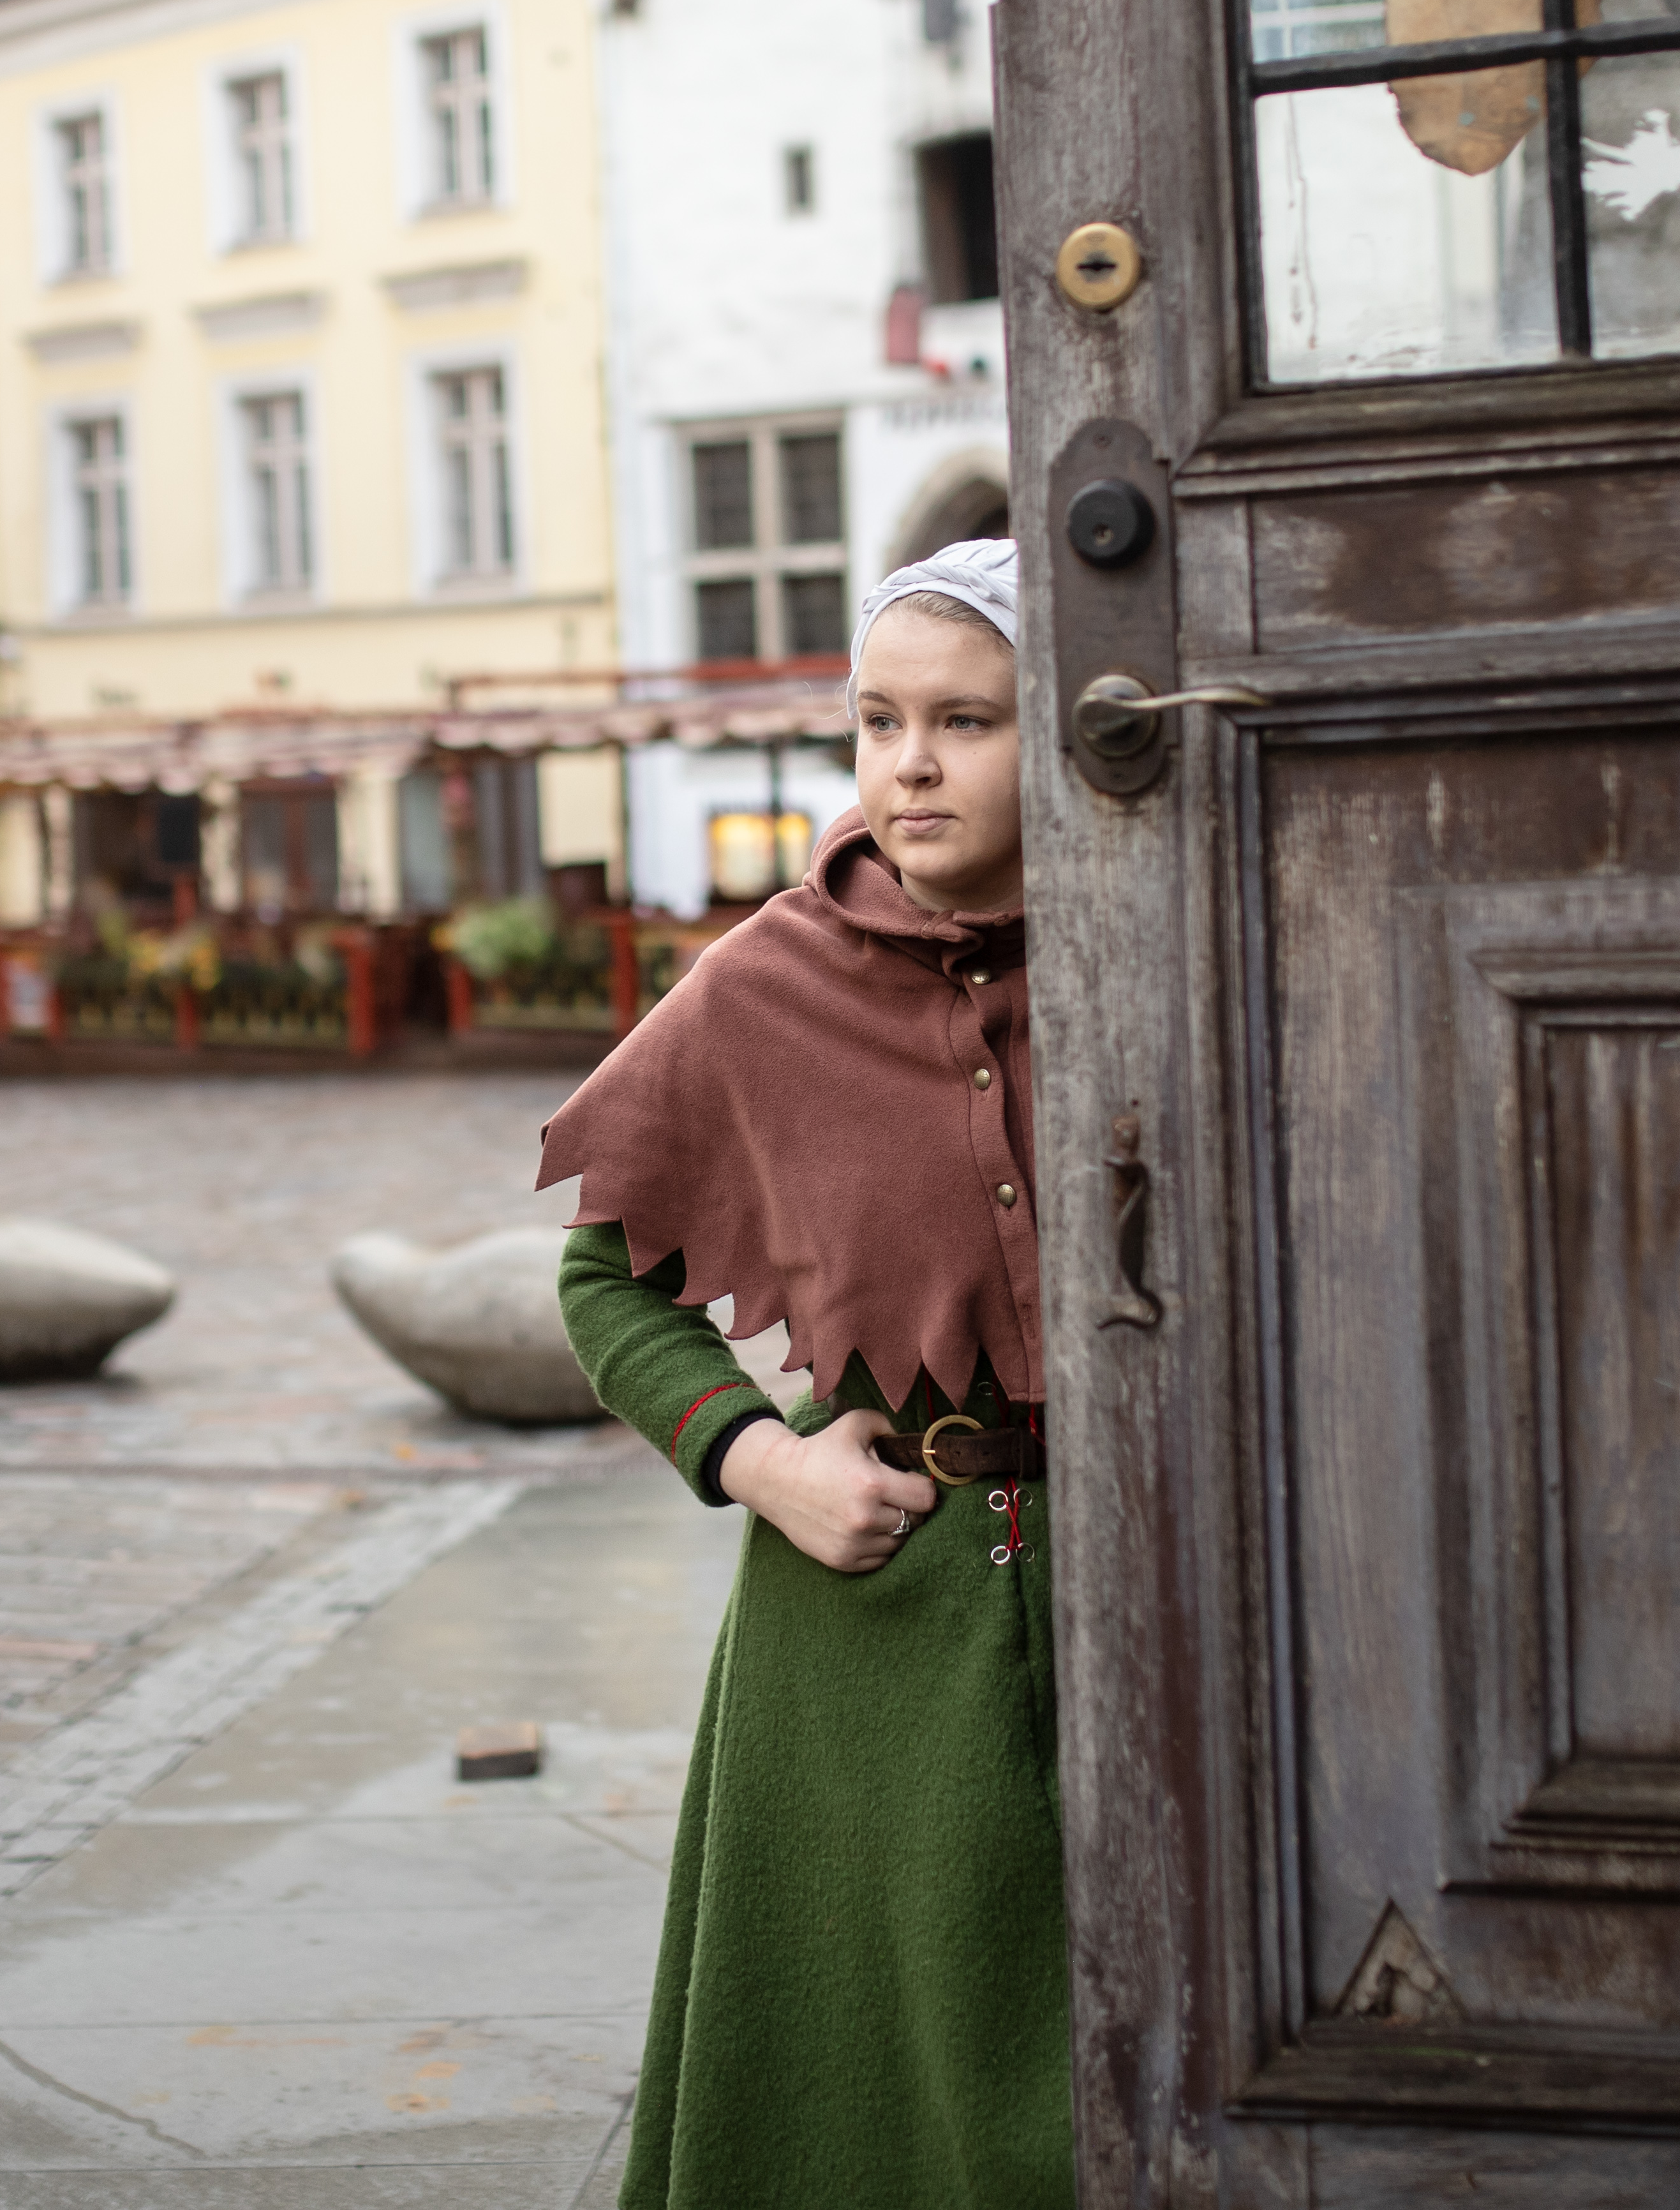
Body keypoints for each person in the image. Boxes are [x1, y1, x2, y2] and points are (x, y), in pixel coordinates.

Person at [539, 535, 1066, 2210]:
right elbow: (602, 1281)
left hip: (1171, 1609)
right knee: (873, 2102)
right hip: (870, 1630)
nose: (910, 762)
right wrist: (765, 1463)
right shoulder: (762, 985)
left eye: (969, 720)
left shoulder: (1172, 944)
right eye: (879, 720)